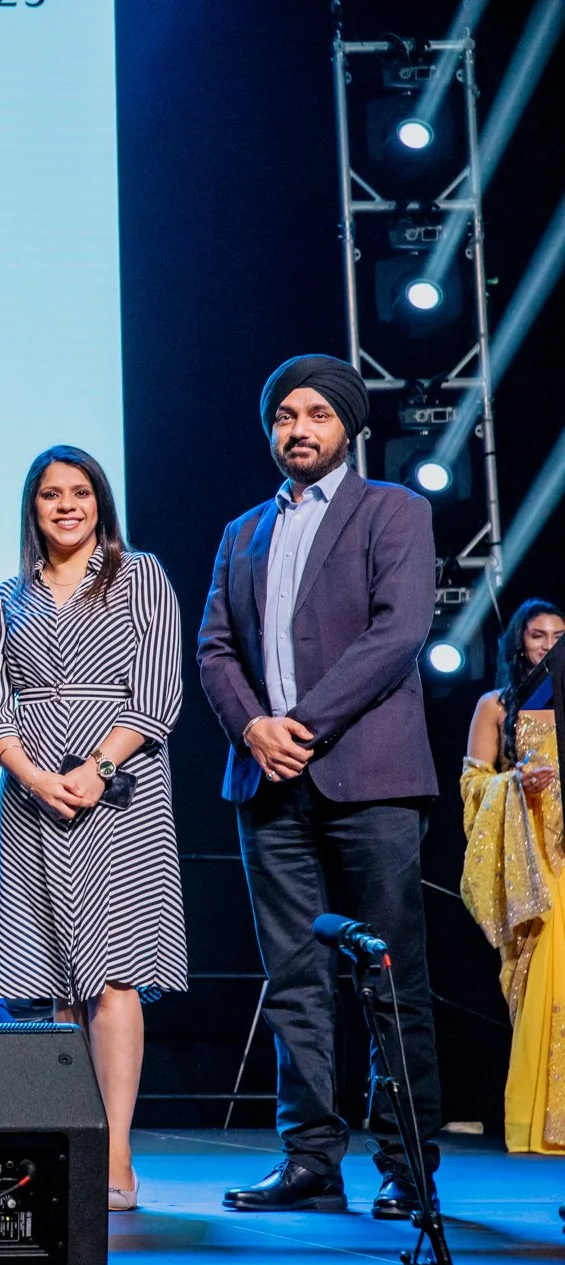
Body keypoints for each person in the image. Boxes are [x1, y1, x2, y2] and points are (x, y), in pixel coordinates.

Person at [198, 354, 441, 1218]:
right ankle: (309, 1160)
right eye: (283, 416)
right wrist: (253, 728)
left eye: (315, 415)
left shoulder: (394, 510)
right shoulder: (240, 532)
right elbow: (214, 648)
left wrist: (298, 724)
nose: (297, 429)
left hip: (368, 776)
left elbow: (397, 633)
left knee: (386, 974)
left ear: (347, 426)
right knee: (294, 979)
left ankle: (407, 1164)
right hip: (267, 783)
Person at [0, 445, 186, 1212]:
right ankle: (71, 1139)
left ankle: (117, 1151)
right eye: (48, 495)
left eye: (79, 492)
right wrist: (32, 775)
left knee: (114, 972)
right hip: (34, 796)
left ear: (99, 500)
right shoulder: (8, 596)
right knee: (57, 982)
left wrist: (96, 766)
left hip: (121, 794)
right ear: (31, 509)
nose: (65, 505)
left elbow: (161, 689)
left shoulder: (140, 574)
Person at [459, 598, 565, 1154]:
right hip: (534, 871)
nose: (548, 645)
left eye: (558, 635)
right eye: (537, 635)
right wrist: (515, 784)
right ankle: (543, 1127)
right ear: (518, 643)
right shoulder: (496, 707)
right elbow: (473, 786)